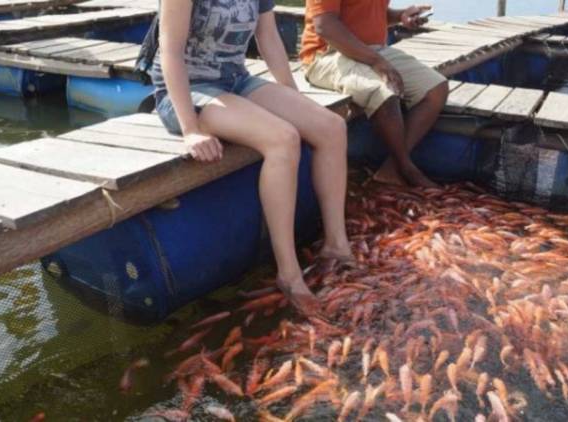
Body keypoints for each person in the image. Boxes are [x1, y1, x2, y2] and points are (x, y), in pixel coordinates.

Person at [151, 0, 352, 316]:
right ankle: (289, 273)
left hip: (236, 80)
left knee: (331, 126)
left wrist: (291, 95)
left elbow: (268, 36)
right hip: (188, 91)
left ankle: (337, 245)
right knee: (282, 139)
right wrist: (190, 129)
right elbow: (170, 52)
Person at [301, 1, 449, 188]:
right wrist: (376, 61)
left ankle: (391, 169)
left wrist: (401, 16)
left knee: (435, 88)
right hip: (327, 54)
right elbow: (325, 26)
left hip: (371, 50)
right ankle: (407, 168)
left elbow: (369, 13)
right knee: (383, 91)